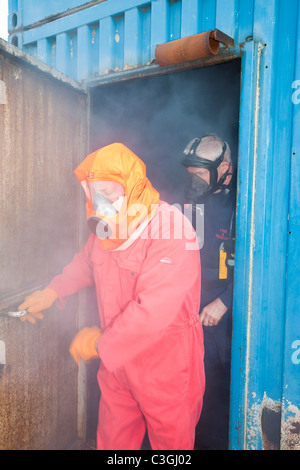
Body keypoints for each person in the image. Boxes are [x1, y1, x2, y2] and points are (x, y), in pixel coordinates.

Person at [18, 142, 205, 451]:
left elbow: (153, 310)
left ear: (133, 187)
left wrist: (98, 344)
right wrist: (52, 291)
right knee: (113, 444)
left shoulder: (174, 228)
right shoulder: (105, 230)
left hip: (166, 366)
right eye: (94, 193)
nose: (100, 200)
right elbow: (85, 264)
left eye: (110, 191)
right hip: (118, 365)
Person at [181, 134, 236, 450]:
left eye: (200, 173)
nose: (193, 179)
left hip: (227, 311)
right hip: (190, 308)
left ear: (223, 168)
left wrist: (225, 301)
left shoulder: (246, 199)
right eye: (189, 172)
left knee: (223, 388)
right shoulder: (186, 199)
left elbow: (268, 260)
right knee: (192, 386)